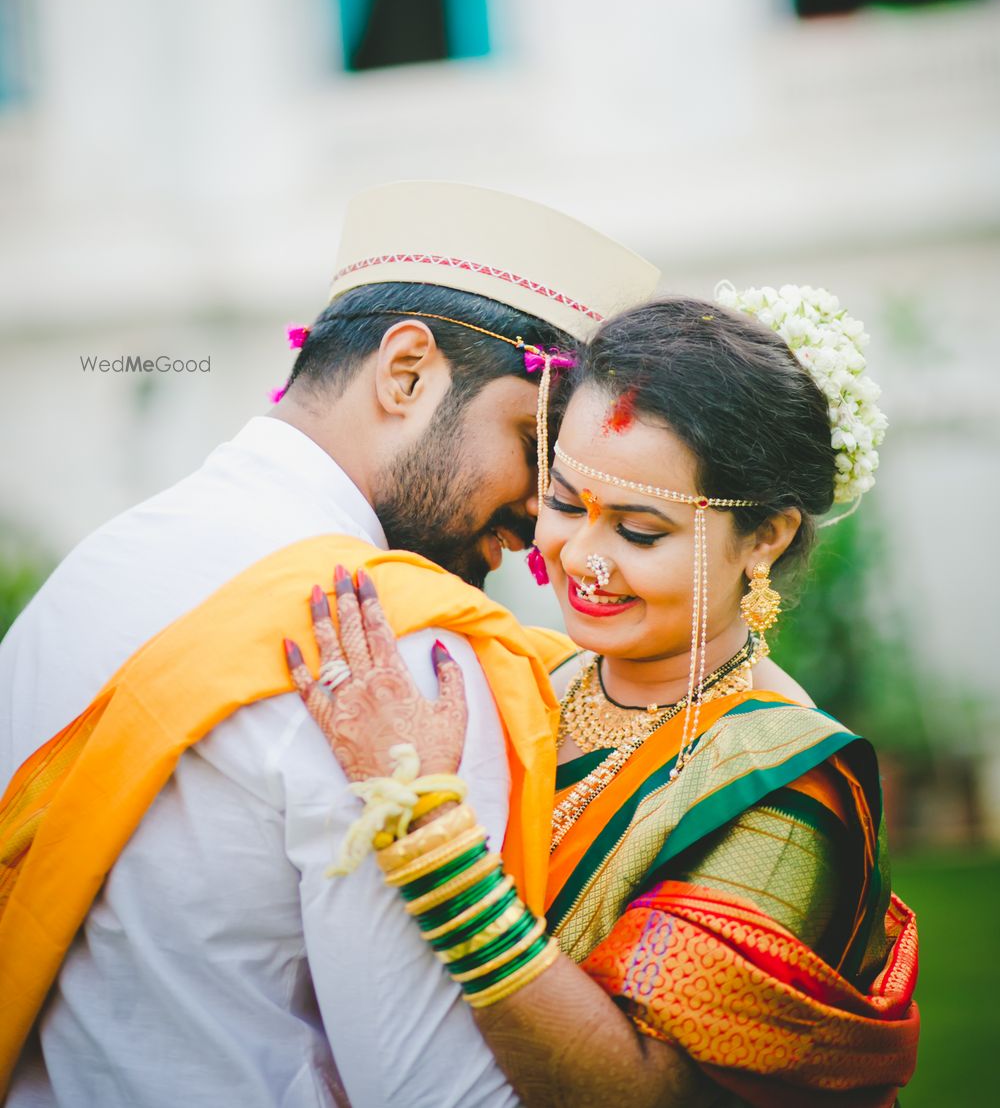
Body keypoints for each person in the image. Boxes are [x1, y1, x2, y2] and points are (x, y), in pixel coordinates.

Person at [0, 179, 660, 1107]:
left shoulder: (88, 576)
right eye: (531, 440)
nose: (542, 517)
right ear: (405, 373)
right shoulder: (400, 647)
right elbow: (437, 1093)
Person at [281, 287, 919, 1108]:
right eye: (561, 501)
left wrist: (431, 836)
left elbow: (643, 1094)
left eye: (639, 530)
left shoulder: (783, 785)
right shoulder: (535, 676)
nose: (580, 556)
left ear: (765, 536)